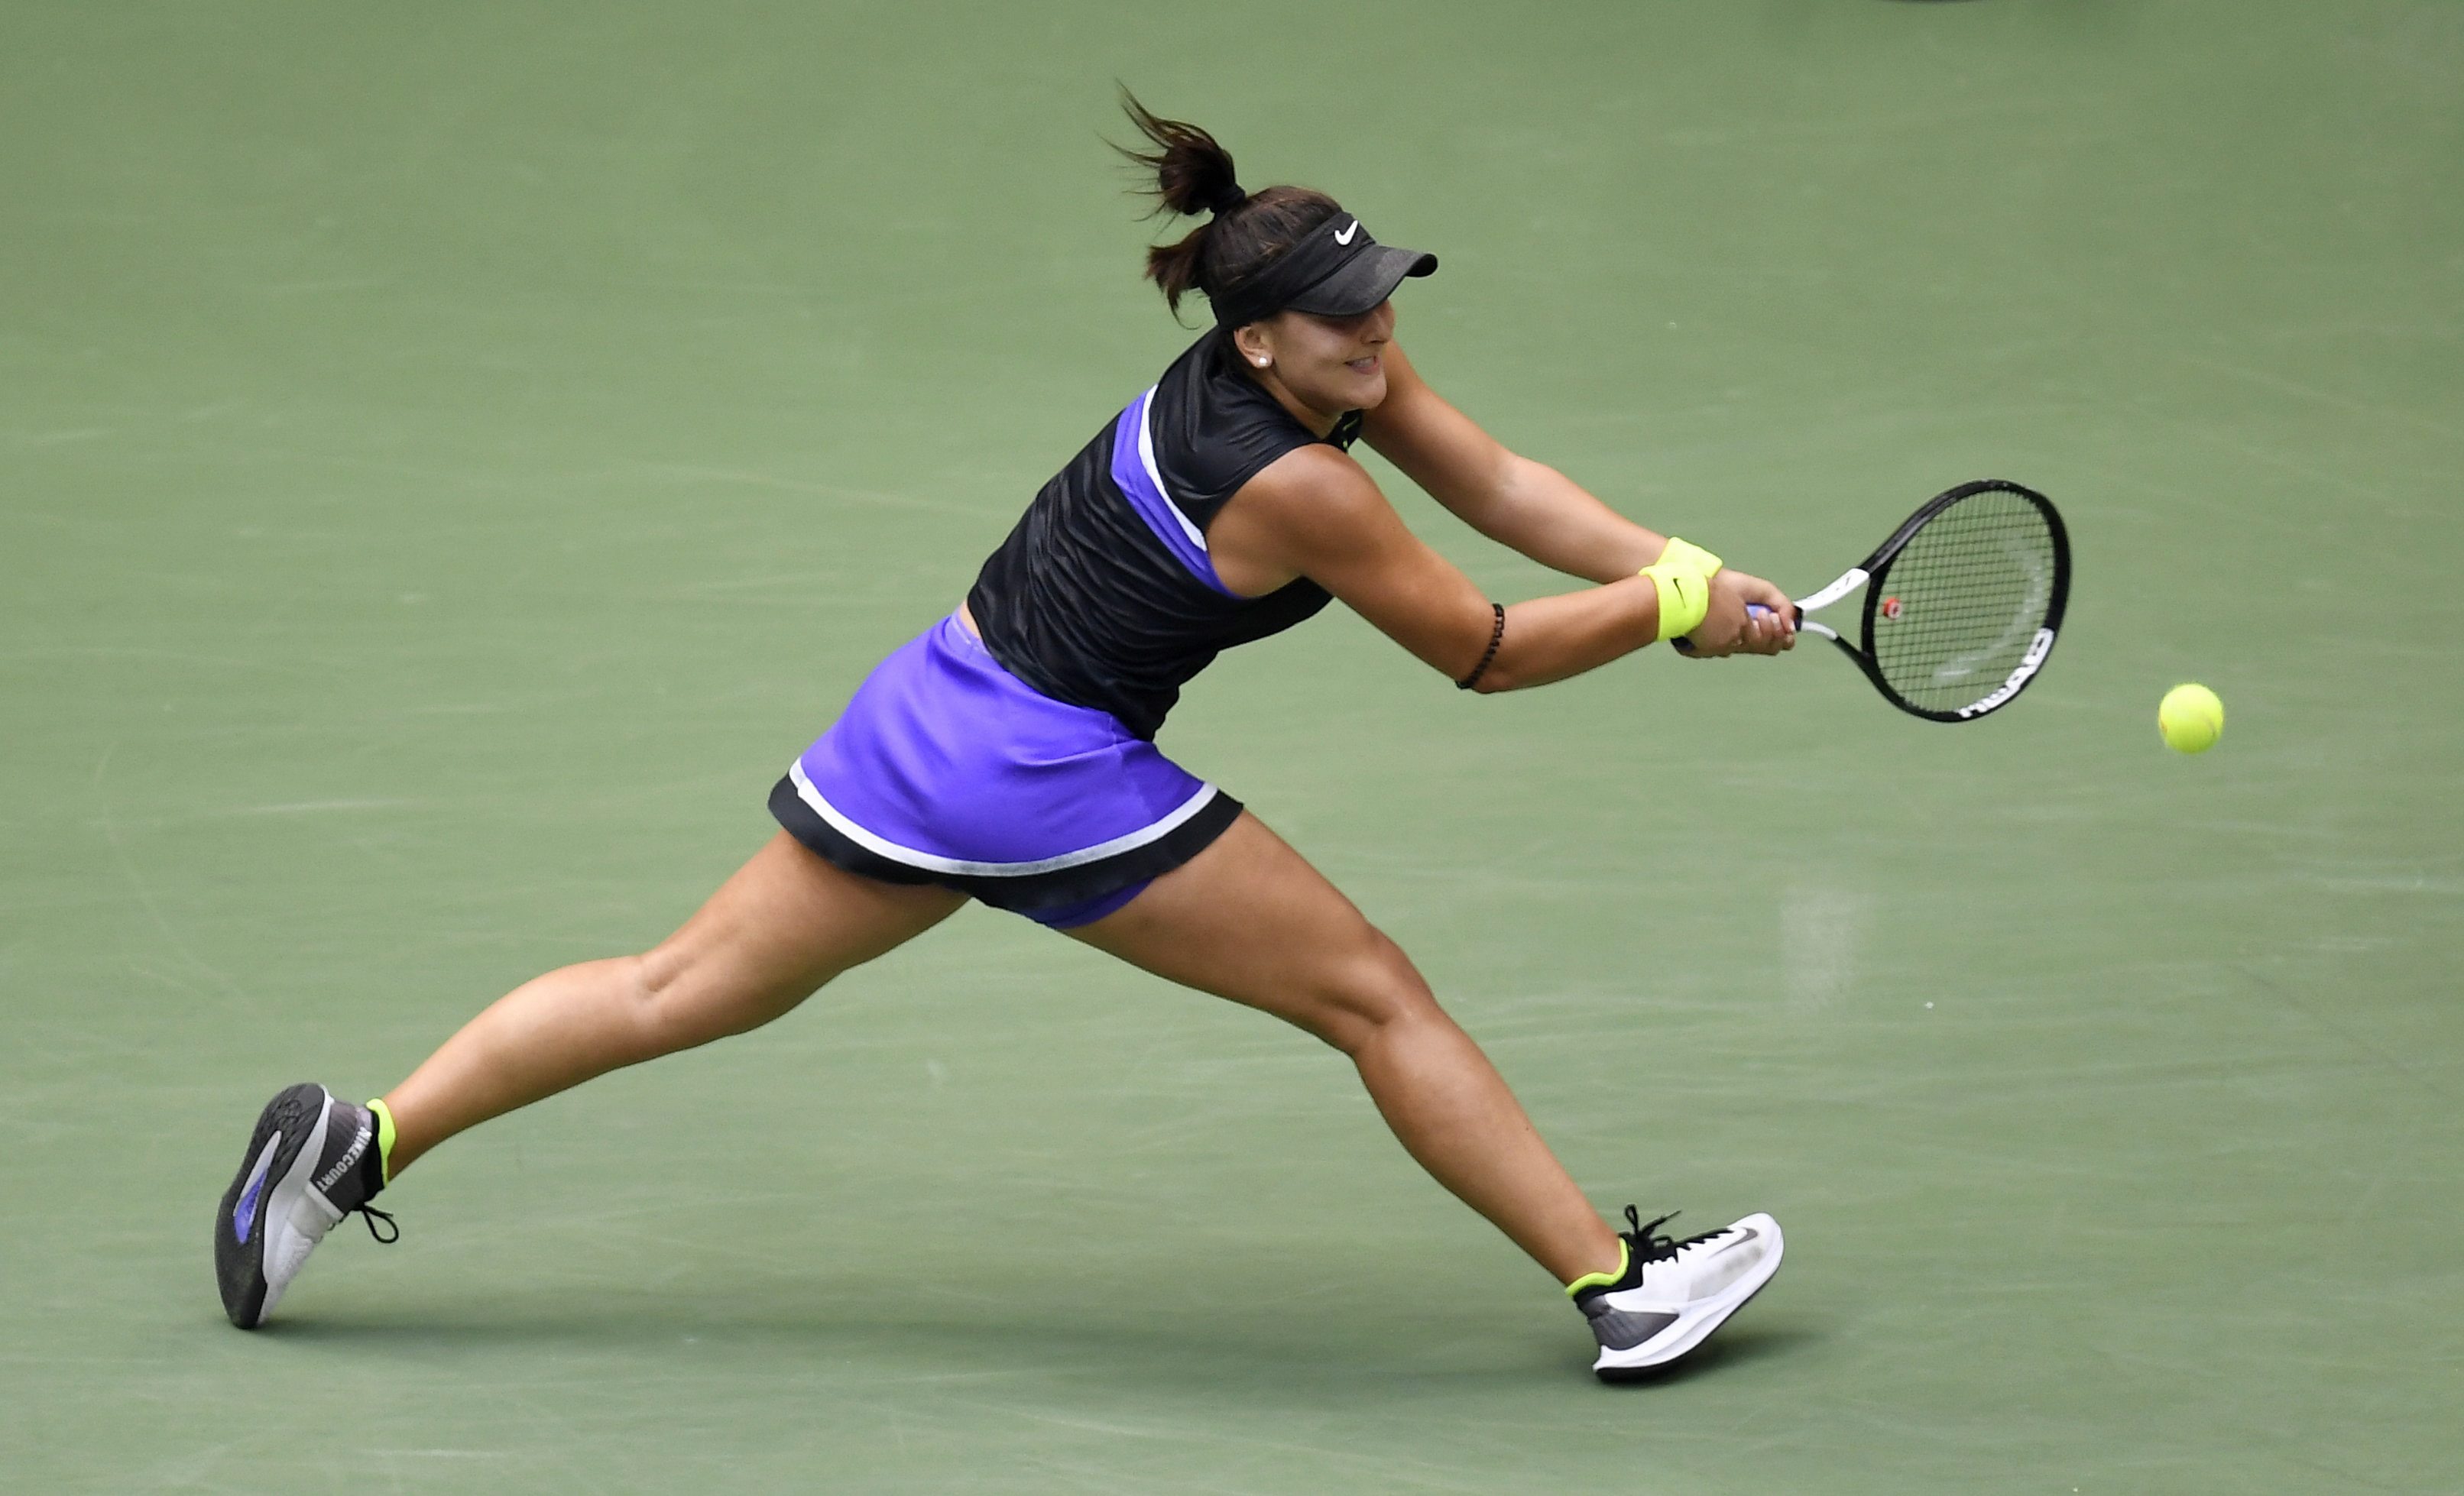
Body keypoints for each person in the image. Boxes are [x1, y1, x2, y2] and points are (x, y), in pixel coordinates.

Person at [213, 96, 1798, 1381]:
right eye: (1346, 319)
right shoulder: (1298, 478)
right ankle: (1619, 1289)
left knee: (671, 985)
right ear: (1261, 341)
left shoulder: (1306, 371)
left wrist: (1683, 567)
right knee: (1375, 994)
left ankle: (360, 1148)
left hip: (926, 717)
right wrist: (1663, 615)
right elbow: (1482, 649)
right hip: (1046, 770)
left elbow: (1505, 487)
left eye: (1380, 300)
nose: (1377, 334)